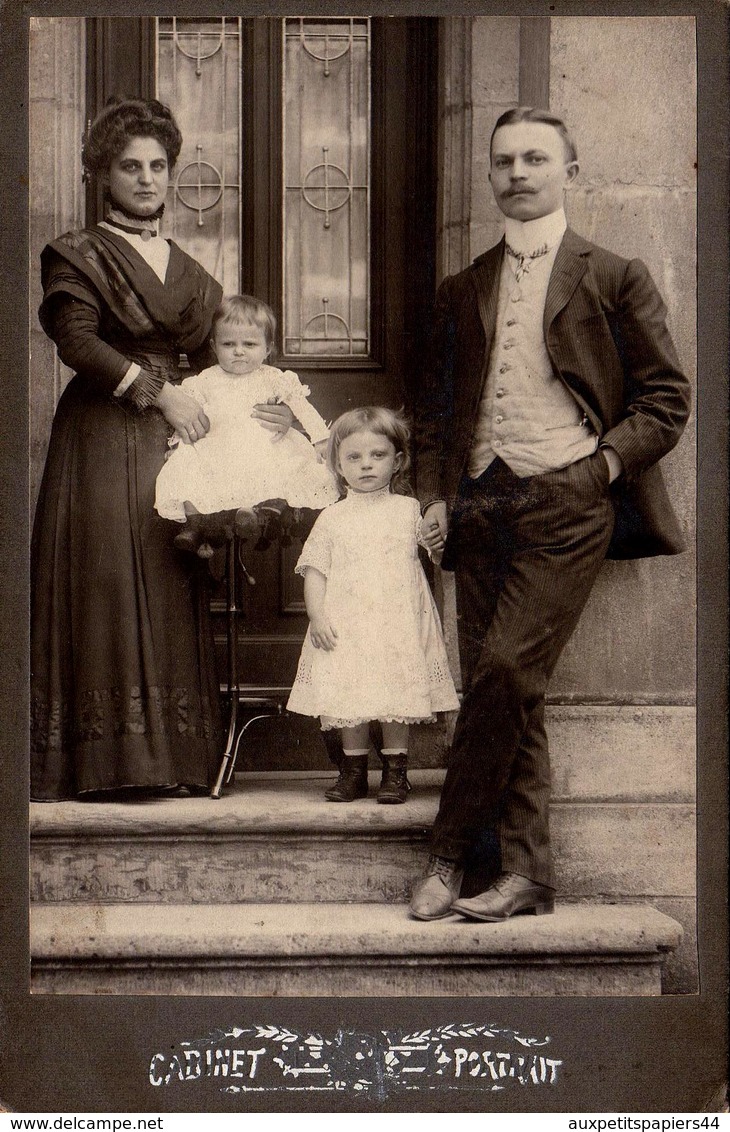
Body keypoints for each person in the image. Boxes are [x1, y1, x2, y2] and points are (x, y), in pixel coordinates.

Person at [409, 107, 691, 921]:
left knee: (500, 672)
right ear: (491, 175)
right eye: (504, 161)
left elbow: (666, 401)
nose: (518, 172)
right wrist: (434, 495)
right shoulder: (463, 287)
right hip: (478, 503)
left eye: (536, 158)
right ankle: (526, 876)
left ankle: (449, 853)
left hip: (567, 502)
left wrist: (600, 466)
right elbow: (431, 411)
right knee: (512, 687)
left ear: (571, 168)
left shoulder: (613, 274)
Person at [30, 98, 292, 800]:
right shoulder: (76, 253)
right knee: (110, 581)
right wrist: (155, 389)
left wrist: (267, 408)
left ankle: (174, 761)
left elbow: (224, 353)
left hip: (181, 441)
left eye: (157, 167)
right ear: (101, 175)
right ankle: (103, 766)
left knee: (171, 577)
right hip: (101, 434)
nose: (147, 180)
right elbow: (76, 341)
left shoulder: (189, 269)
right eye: (129, 167)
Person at [287, 407, 459, 804]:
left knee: (394, 697)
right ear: (338, 464)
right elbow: (315, 570)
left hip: (395, 624)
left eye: (377, 456)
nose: (365, 465)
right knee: (352, 696)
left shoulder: (408, 510)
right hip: (347, 626)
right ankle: (353, 772)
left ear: (397, 461)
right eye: (353, 457)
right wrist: (317, 615)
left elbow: (433, 555)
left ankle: (396, 774)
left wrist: (435, 547)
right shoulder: (332, 518)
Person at [154, 294, 338, 558]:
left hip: (261, 447)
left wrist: (321, 439)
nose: (239, 351)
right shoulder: (205, 380)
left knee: (283, 469)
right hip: (218, 449)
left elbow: (301, 407)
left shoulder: (273, 378)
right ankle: (195, 526)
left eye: (249, 344)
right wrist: (179, 443)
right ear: (214, 347)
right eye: (229, 344)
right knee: (186, 469)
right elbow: (188, 415)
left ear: (268, 348)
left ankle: (264, 513)